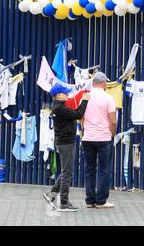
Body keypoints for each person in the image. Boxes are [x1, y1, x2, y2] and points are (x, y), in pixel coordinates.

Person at [43, 84, 90, 212]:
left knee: (65, 171)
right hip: (65, 142)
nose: (68, 95)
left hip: (65, 141)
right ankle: (64, 202)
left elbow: (75, 113)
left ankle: (51, 194)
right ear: (58, 95)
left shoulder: (60, 107)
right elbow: (78, 114)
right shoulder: (59, 108)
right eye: (65, 93)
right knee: (67, 172)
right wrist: (85, 100)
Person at [82, 72, 116, 209]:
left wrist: (86, 129)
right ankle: (101, 201)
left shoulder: (85, 97)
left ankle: (90, 201)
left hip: (88, 138)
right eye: (106, 82)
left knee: (89, 169)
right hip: (103, 138)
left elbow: (81, 118)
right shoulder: (109, 98)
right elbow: (113, 121)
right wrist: (112, 134)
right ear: (102, 83)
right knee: (103, 169)